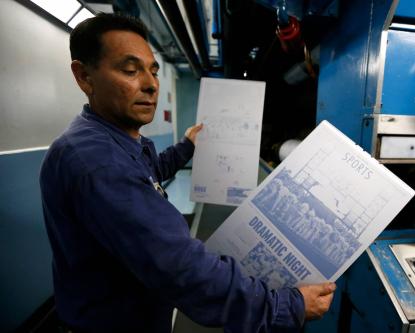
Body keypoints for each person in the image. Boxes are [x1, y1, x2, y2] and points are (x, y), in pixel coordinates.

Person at [39, 13, 335, 333]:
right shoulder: (98, 163)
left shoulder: (112, 142)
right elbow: (181, 267)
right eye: (129, 70)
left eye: (153, 71)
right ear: (84, 76)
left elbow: (148, 174)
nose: (151, 84)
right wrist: (286, 306)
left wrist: (186, 147)